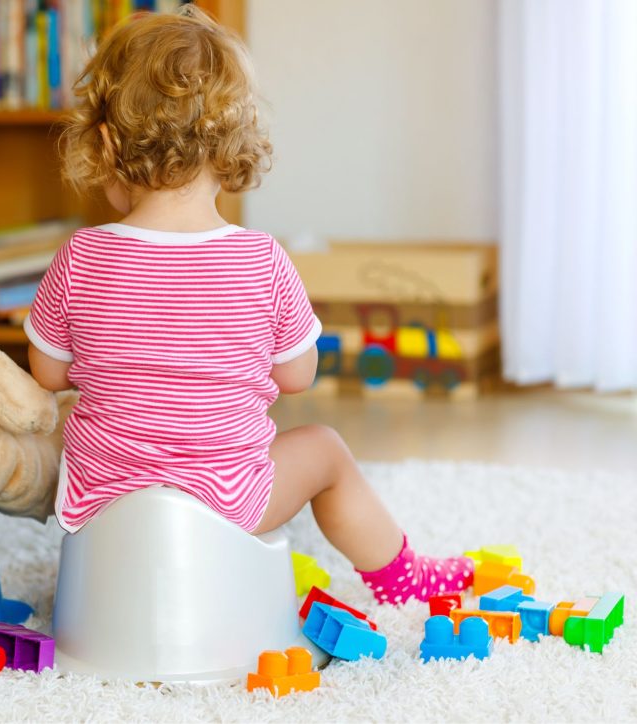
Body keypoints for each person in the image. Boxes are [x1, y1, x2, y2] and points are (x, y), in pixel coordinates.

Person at [24, 6, 471, 604]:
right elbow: (297, 375)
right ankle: (402, 576)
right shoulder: (262, 260)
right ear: (229, 146)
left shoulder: (81, 255)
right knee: (326, 450)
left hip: (105, 505)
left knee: (74, 424)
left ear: (104, 143)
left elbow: (48, 373)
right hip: (228, 505)